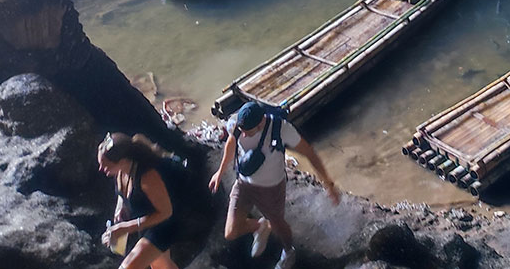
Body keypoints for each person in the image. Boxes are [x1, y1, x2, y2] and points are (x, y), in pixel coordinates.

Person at [210, 102, 339, 269]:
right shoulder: (237, 124)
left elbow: (310, 153)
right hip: (243, 183)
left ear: (261, 122)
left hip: (271, 188)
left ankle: (288, 251)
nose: (243, 134)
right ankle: (260, 226)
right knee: (231, 232)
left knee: (278, 224)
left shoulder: (281, 129)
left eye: (247, 131)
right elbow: (231, 143)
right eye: (241, 130)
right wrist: (220, 172)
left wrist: (328, 184)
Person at [98, 133, 188, 269]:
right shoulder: (121, 171)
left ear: (122, 161)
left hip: (166, 223)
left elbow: (166, 212)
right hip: (146, 222)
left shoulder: (147, 177)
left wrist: (126, 228)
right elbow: (122, 192)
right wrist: (120, 205)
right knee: (161, 266)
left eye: (105, 166)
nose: (101, 169)